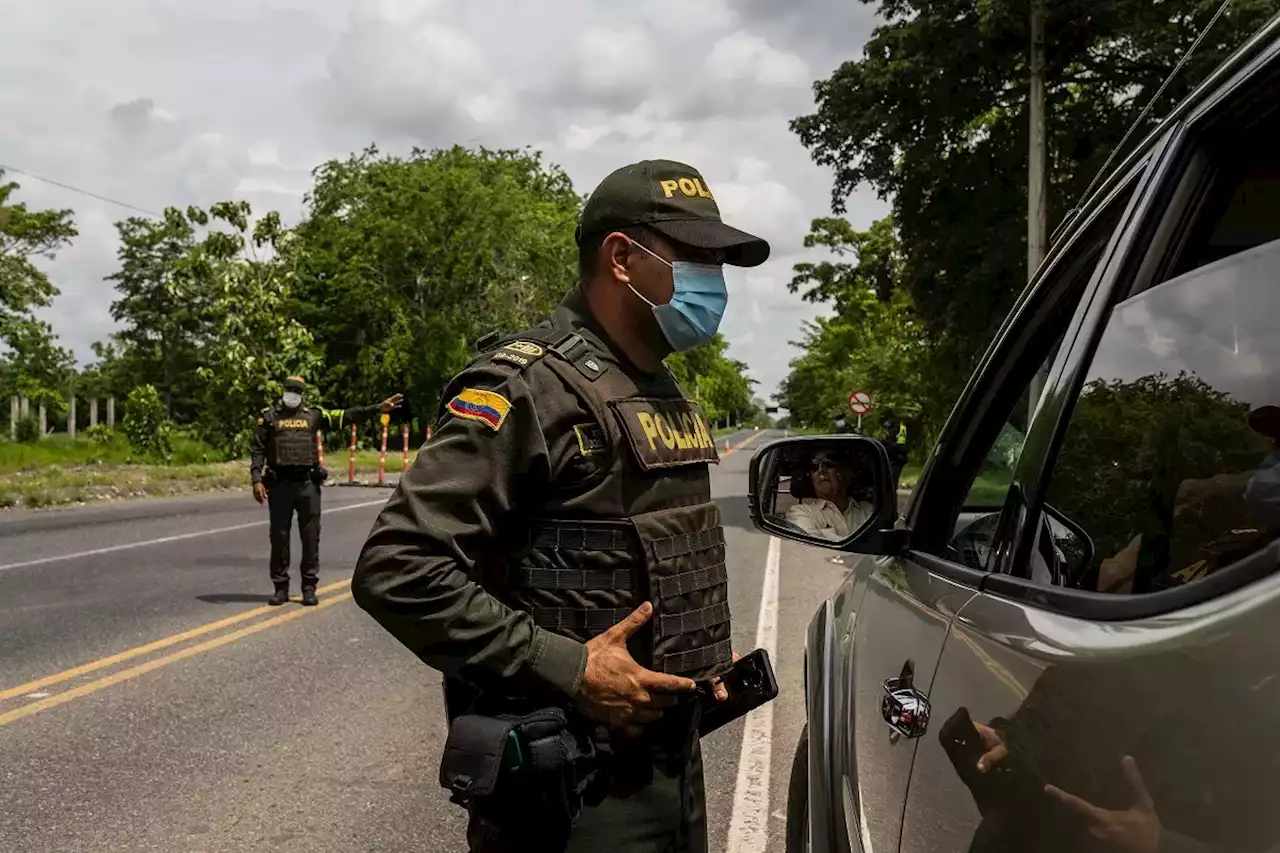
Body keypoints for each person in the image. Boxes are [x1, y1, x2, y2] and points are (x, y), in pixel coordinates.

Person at [351, 159, 770, 853]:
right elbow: (397, 568)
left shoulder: (657, 385)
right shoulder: (526, 387)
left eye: (719, 261)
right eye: (696, 256)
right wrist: (569, 667)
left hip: (672, 770)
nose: (713, 281)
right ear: (622, 258)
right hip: (571, 798)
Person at [250, 376, 403, 606]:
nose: (291, 393)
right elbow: (257, 450)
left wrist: (377, 409)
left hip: (307, 485)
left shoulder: (314, 415)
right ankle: (280, 588)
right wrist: (255, 479)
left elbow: (347, 415)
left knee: (310, 538)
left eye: (296, 390)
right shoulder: (270, 418)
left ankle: (309, 588)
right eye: (289, 389)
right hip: (279, 485)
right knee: (279, 538)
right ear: (283, 391)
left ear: (302, 394)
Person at [784, 450, 875, 541]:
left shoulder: (870, 510)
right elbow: (811, 546)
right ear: (811, 479)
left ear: (847, 473)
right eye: (814, 467)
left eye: (828, 464)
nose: (821, 470)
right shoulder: (800, 512)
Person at [880, 409, 910, 490]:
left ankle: (892, 499)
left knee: (892, 482)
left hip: (897, 457)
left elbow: (899, 445)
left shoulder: (900, 428)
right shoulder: (888, 426)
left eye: (888, 419)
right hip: (891, 457)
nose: (887, 421)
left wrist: (885, 441)